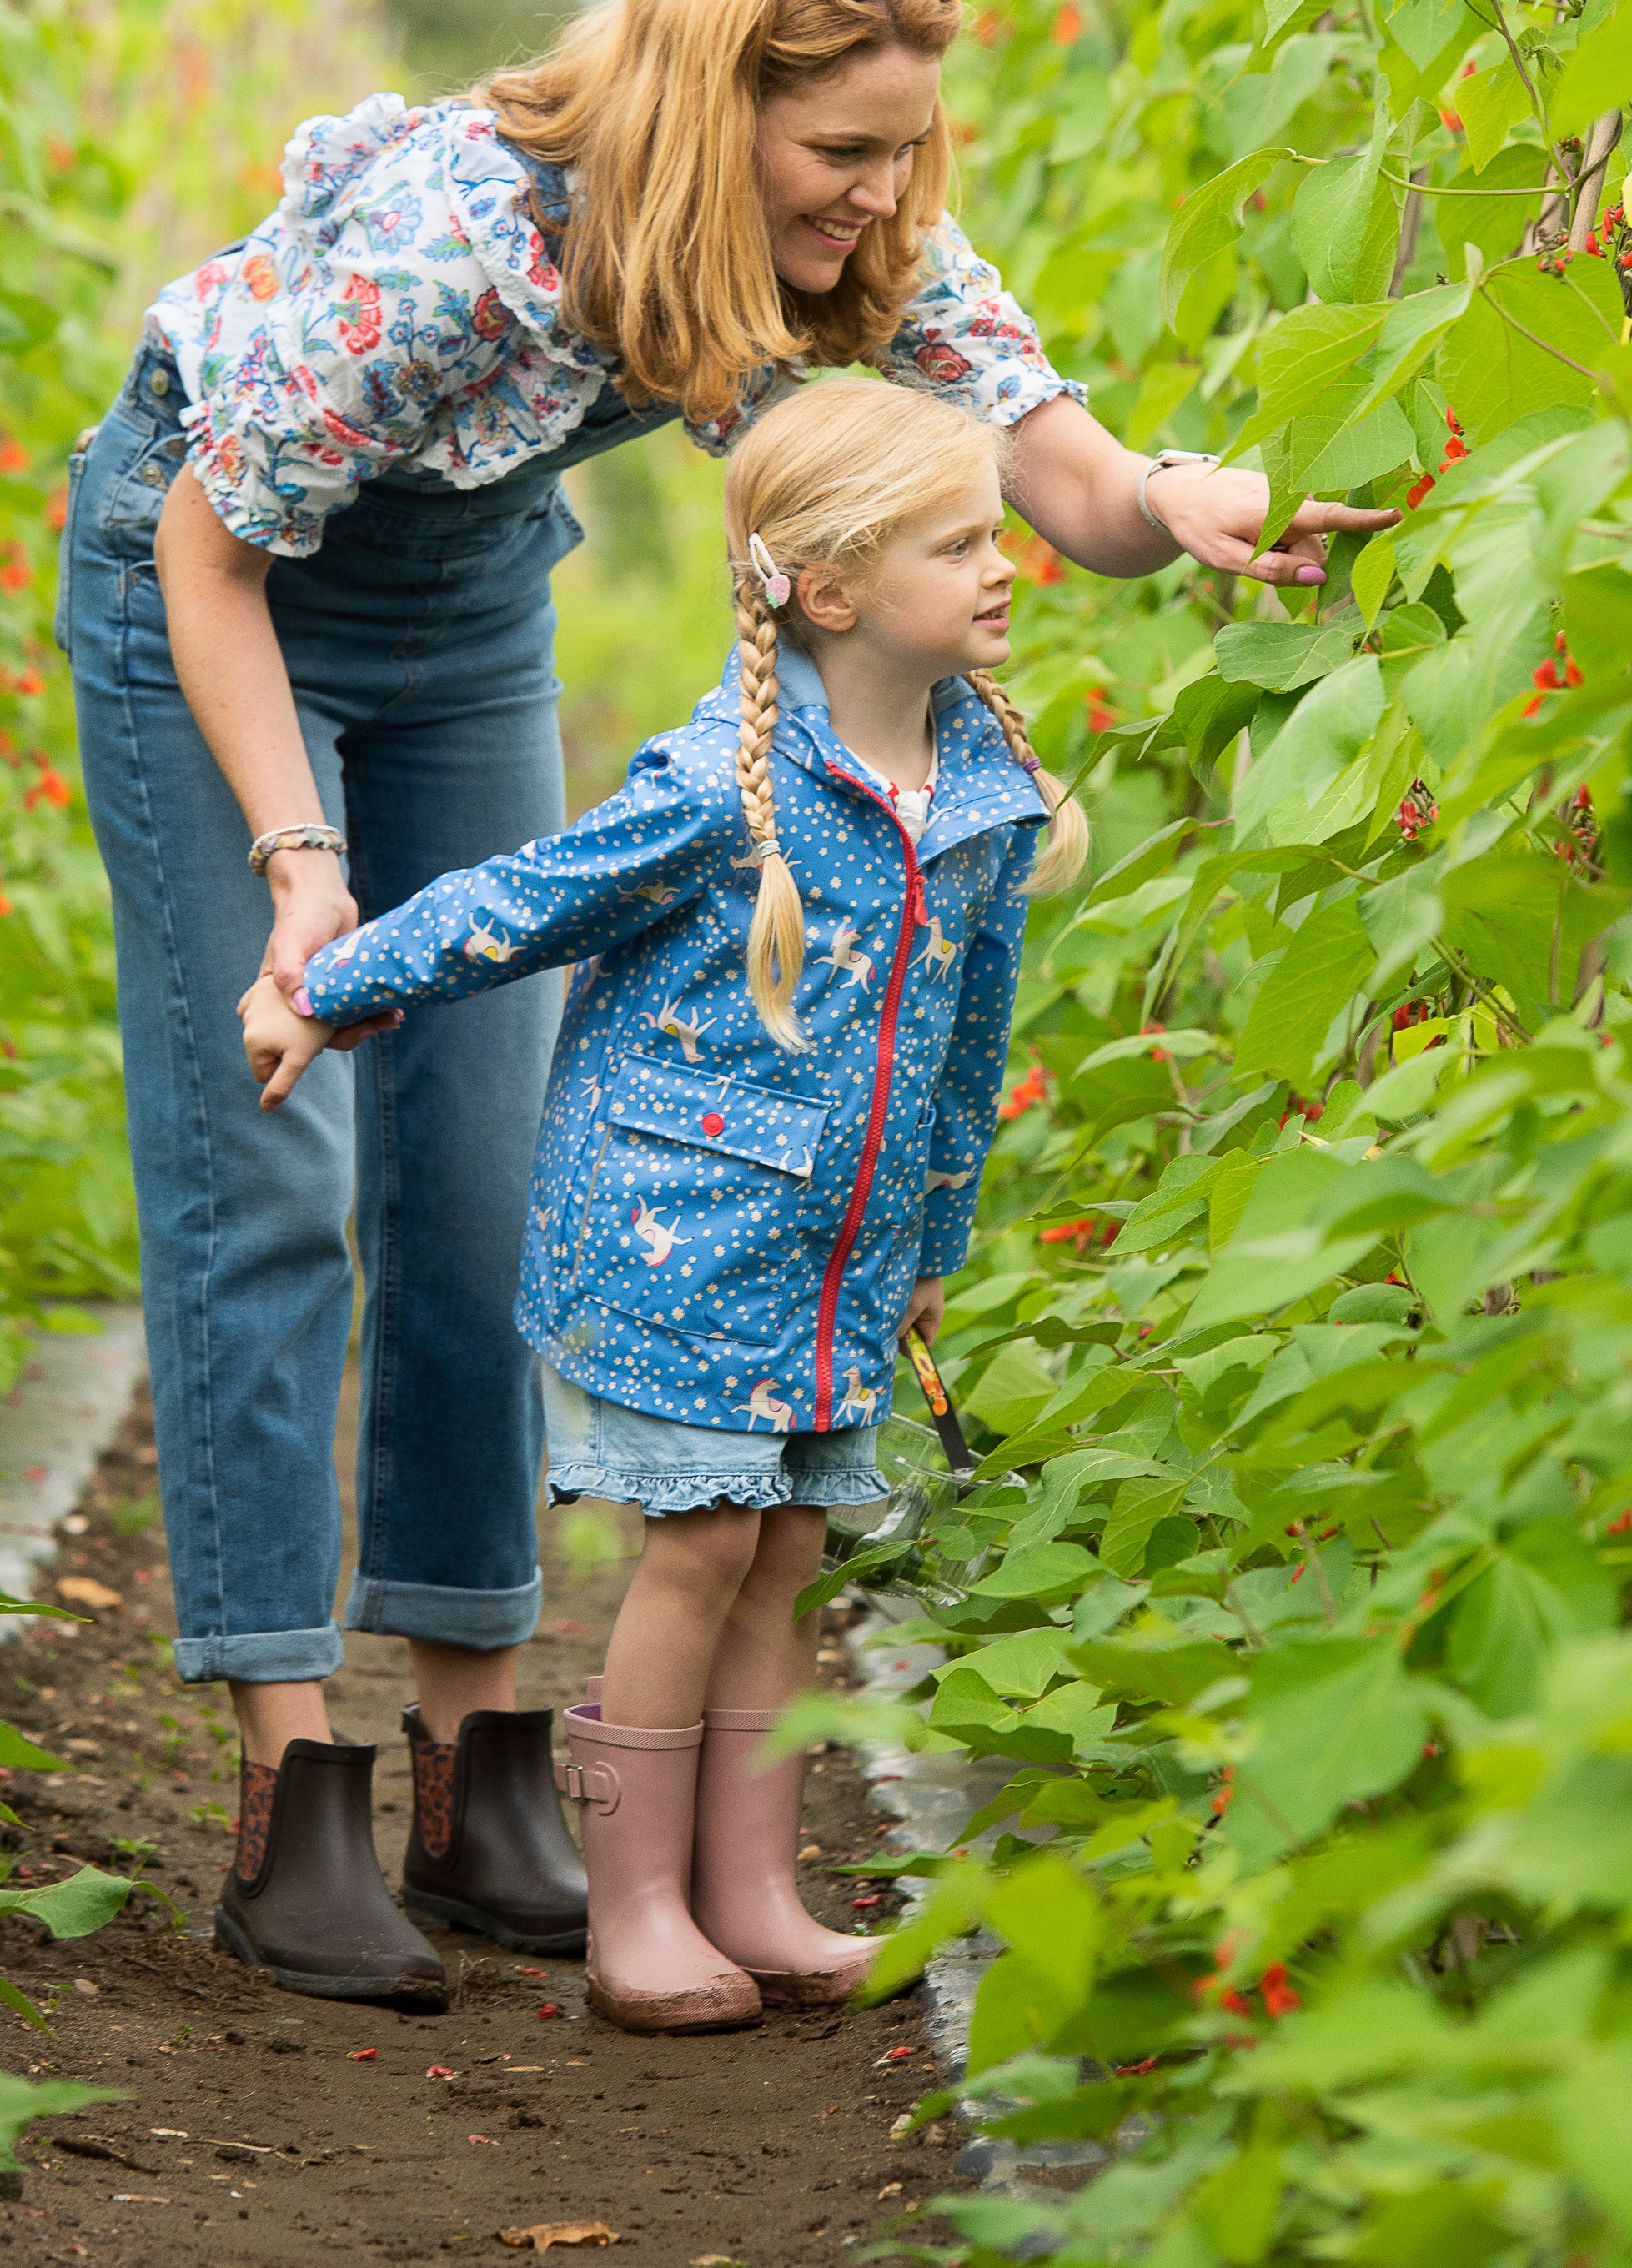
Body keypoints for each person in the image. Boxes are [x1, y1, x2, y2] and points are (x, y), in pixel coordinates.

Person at [60, 0, 1391, 2015]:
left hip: (466, 595)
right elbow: (221, 546)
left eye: (900, 157)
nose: (880, 201)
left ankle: (480, 1758)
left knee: (481, 1165)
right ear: (708, 108)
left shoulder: (854, 234)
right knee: (277, 1165)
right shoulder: (461, 241)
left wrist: (1187, 503)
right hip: (204, 579)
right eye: (840, 155)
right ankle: (286, 1788)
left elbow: (1050, 459)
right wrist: (300, 865)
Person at [241, 380, 1084, 2028]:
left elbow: (967, 1049)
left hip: (835, 1261)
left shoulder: (976, 790)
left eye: (998, 534)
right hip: (678, 1243)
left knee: (787, 1552)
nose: (1004, 569)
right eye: (962, 541)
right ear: (824, 587)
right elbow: (521, 903)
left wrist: (930, 1246)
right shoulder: (723, 786)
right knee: (699, 1548)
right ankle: (634, 1910)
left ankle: (748, 1888)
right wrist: (332, 982)